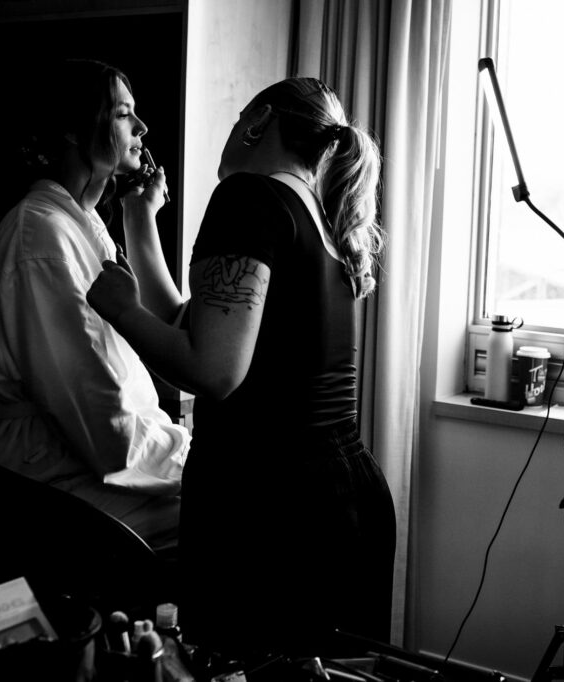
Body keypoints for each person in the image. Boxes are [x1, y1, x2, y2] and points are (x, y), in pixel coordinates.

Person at [86, 76, 397, 661]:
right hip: (340, 493)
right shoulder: (319, 211)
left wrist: (120, 309)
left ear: (259, 123)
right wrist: (141, 218)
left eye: (236, 122)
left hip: (270, 505)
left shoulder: (249, 196)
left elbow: (212, 369)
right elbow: (194, 325)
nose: (230, 135)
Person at [0, 59, 190, 558]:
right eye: (121, 114)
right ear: (72, 130)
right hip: (54, 474)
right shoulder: (42, 236)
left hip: (90, 455)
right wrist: (186, 459)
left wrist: (141, 214)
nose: (142, 127)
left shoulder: (83, 223)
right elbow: (96, 413)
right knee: (226, 517)